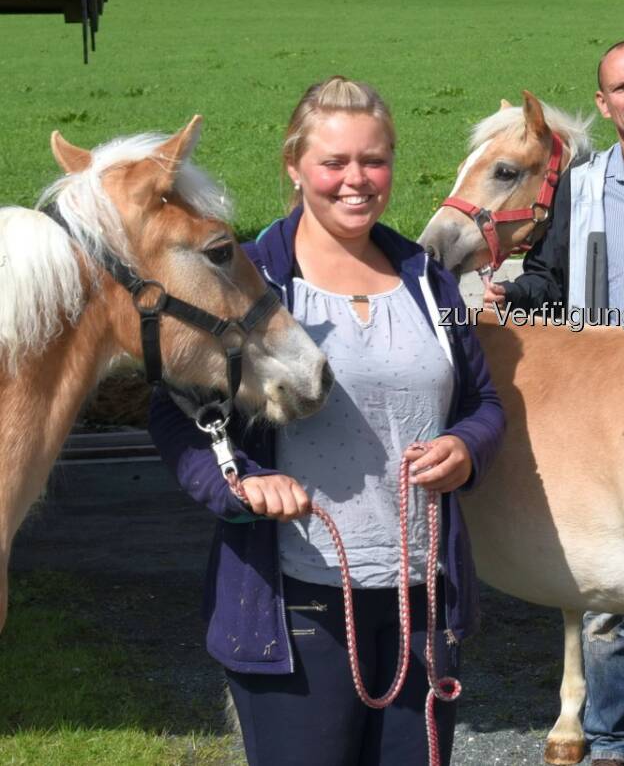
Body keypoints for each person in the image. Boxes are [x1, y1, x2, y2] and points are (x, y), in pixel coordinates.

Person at [150, 76, 506, 766]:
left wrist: (467, 447)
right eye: (334, 163)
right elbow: (173, 410)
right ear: (294, 166)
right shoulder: (252, 278)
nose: (356, 180)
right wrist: (240, 481)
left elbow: (485, 403)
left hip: (421, 602)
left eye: (373, 160)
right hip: (297, 605)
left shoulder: (428, 281)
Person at [486, 39, 624, 766]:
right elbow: (550, 273)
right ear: (604, 105)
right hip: (613, 396)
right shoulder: (587, 182)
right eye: (621, 88)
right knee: (613, 579)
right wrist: (511, 292)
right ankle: (613, 738)